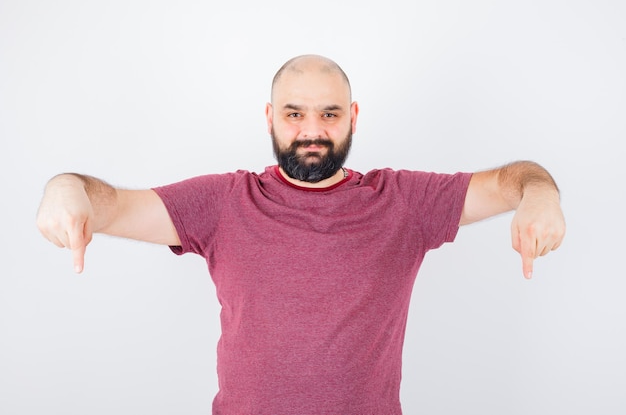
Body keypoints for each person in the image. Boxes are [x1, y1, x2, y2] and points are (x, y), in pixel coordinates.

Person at [36, 54, 566, 414]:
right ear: (270, 117)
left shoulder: (402, 202)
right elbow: (113, 207)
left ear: (352, 117)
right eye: (294, 113)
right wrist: (67, 187)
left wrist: (540, 194)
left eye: (329, 113)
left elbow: (512, 180)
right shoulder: (223, 202)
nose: (312, 131)